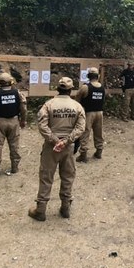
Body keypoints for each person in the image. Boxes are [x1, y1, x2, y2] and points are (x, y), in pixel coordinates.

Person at [28, 77, 86, 221]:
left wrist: (55, 140)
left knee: (46, 176)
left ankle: (40, 210)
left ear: (57, 89)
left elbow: (42, 125)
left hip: (51, 147)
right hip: (68, 147)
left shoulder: (49, 104)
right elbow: (81, 128)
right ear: (71, 90)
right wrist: (66, 141)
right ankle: (65, 207)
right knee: (68, 176)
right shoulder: (77, 106)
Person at [0, 73, 27, 176]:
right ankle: (15, 167)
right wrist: (23, 121)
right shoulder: (17, 93)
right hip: (14, 121)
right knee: (14, 145)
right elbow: (24, 109)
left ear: (0, 83)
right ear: (11, 82)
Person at [75, 67, 105, 162]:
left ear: (88, 76)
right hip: (100, 113)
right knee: (98, 132)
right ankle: (99, 151)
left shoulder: (85, 87)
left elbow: (77, 100)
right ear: (98, 76)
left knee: (85, 132)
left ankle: (83, 154)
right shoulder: (102, 88)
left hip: (88, 113)